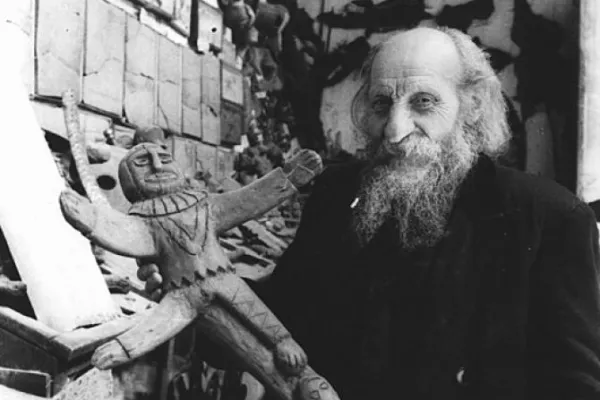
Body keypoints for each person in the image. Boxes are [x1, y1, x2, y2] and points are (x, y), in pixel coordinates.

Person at [138, 26, 600, 399]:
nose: (395, 131)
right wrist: (203, 292)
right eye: (381, 104)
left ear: (472, 104)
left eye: (423, 102)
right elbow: (287, 318)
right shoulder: (338, 194)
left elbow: (577, 385)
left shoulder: (549, 218)